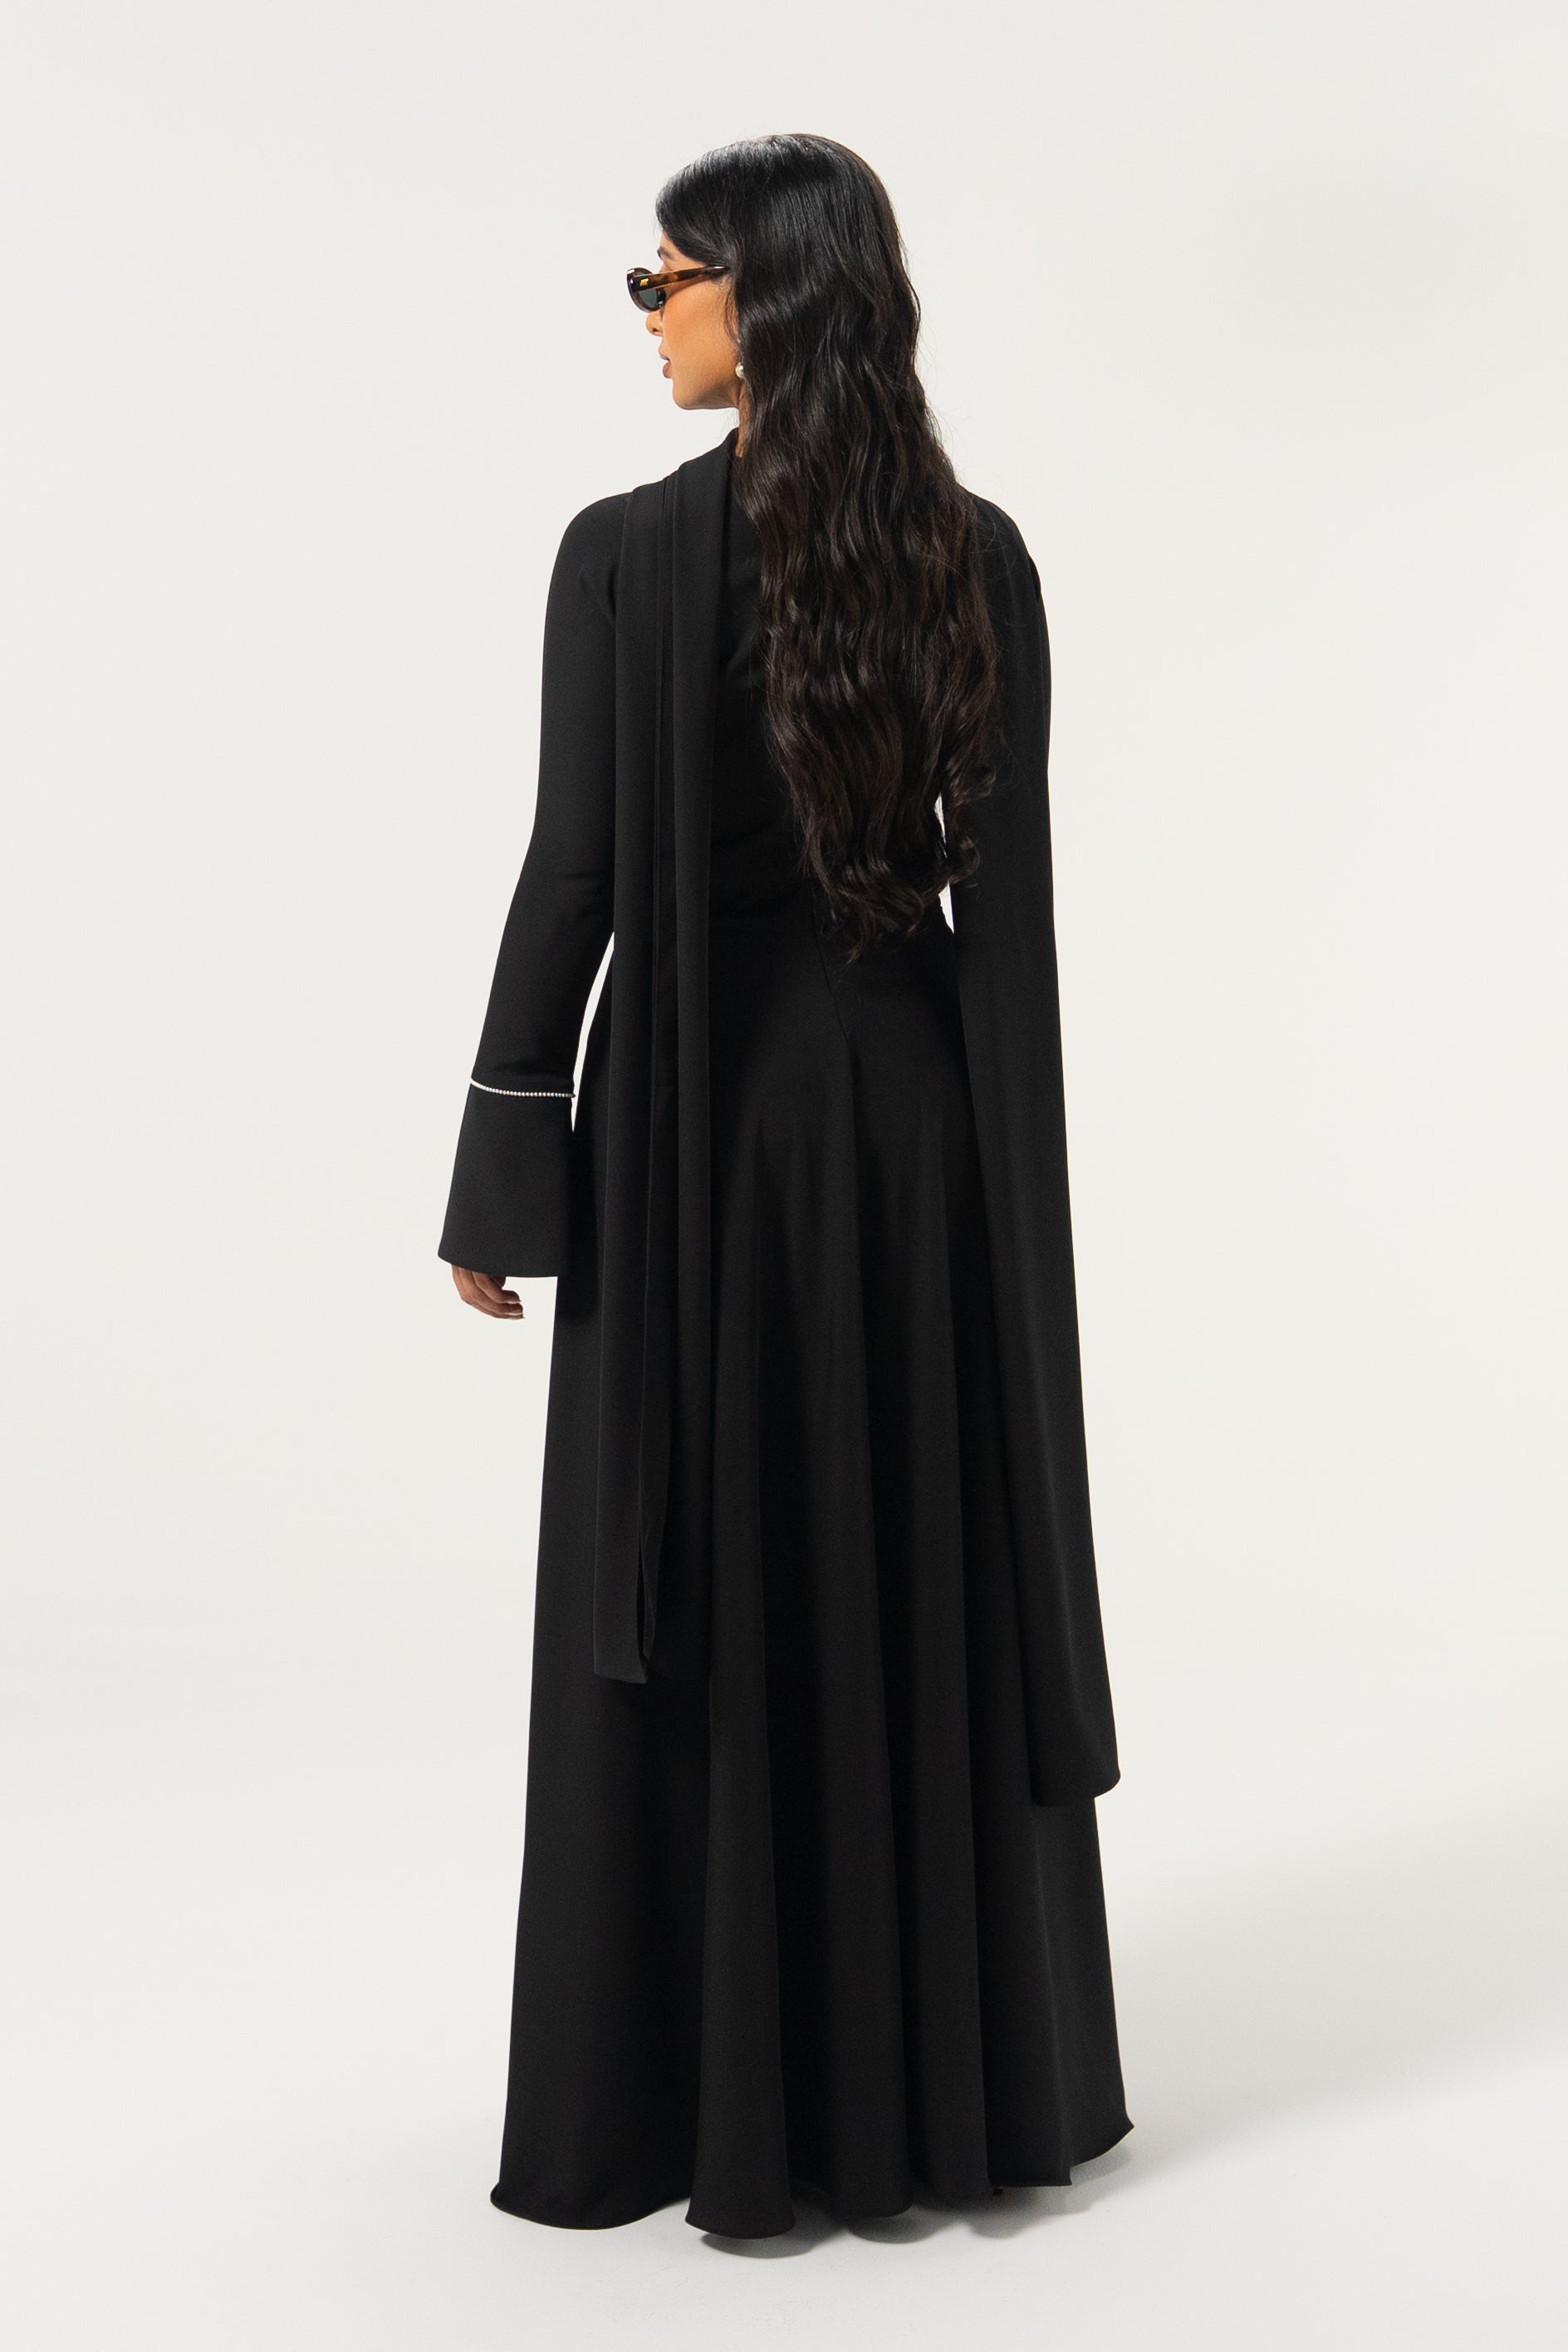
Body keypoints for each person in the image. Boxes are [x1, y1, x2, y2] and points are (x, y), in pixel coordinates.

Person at [438, 132, 1131, 2240]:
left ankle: (689, 2100)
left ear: (765, 296)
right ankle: (929, 2093)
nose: (647, 317)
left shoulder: (626, 558)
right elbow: (1003, 914)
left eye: (663, 280)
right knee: (901, 1559)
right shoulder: (975, 555)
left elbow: (574, 875)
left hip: (701, 1133)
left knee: (698, 1571)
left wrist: (502, 1164)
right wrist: (1006, 1197)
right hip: (910, 1126)